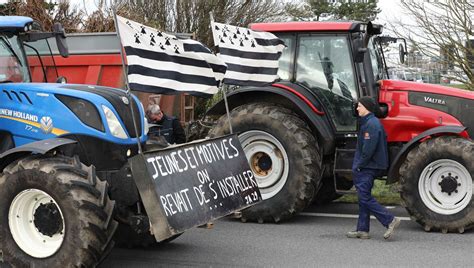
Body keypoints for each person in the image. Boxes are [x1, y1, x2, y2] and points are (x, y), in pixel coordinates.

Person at [346, 96, 400, 240]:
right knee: (363, 197)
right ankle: (362, 230)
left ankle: (390, 220)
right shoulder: (370, 123)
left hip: (369, 166)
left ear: (367, 108)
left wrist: (359, 165)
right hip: (370, 165)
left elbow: (368, 150)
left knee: (364, 197)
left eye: (359, 106)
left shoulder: (371, 124)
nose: (357, 108)